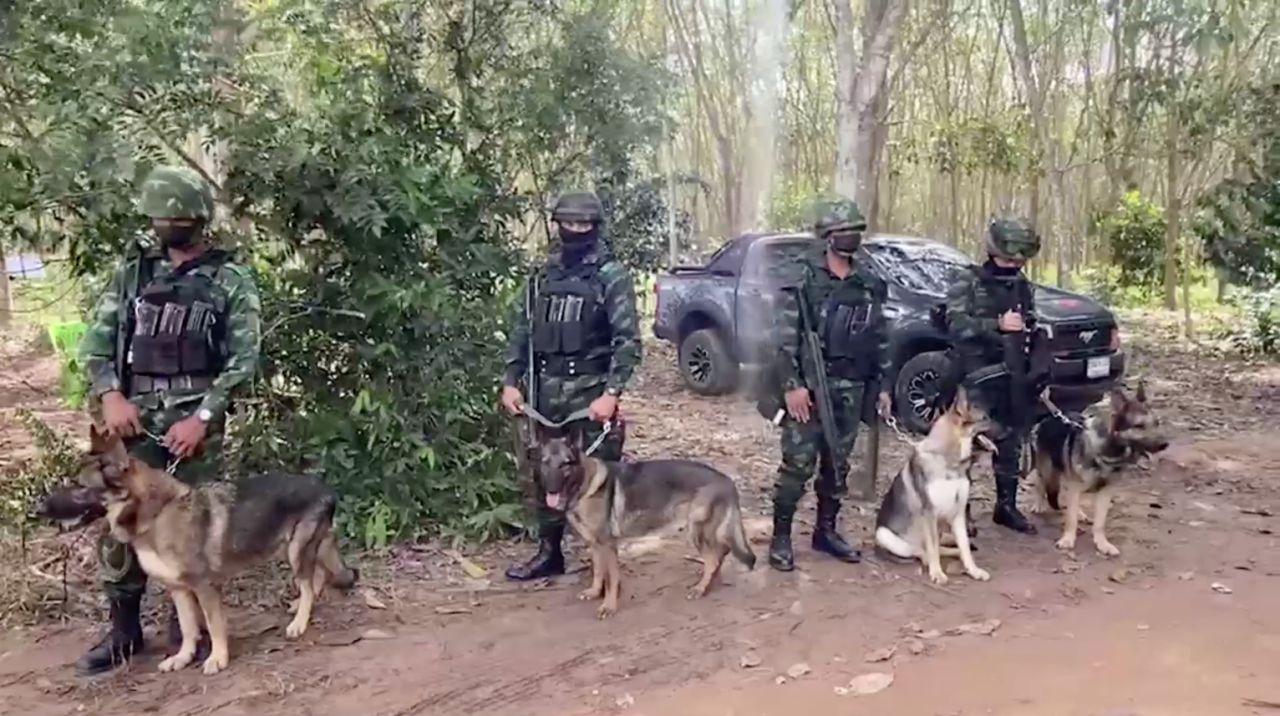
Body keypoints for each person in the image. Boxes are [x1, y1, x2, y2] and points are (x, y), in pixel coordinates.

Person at [75, 165, 262, 675]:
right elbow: (95, 343)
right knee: (122, 526)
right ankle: (124, 630)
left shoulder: (230, 279)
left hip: (193, 431)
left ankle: (194, 633)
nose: (164, 225)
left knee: (195, 534)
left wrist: (202, 417)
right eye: (159, 217)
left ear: (197, 220)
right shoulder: (135, 272)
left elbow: (244, 360)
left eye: (174, 216)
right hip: (134, 427)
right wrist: (111, 395)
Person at [500, 192, 641, 580]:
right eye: (569, 224)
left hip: (591, 394)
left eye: (584, 225)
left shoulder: (611, 276)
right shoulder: (542, 275)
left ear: (596, 227)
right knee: (545, 473)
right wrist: (512, 381)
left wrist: (611, 394)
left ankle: (604, 557)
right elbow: (522, 330)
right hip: (545, 394)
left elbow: (627, 341)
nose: (576, 231)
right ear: (558, 226)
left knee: (600, 477)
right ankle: (550, 553)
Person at [768, 197, 893, 572]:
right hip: (809, 386)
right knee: (797, 465)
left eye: (856, 231)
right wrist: (792, 386)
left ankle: (826, 531)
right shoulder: (801, 277)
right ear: (826, 236)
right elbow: (781, 338)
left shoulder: (869, 281)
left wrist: (883, 385)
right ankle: (781, 537)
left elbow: (879, 337)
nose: (851, 238)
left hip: (851, 387)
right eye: (843, 232)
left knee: (837, 466)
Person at [944, 217, 1043, 535]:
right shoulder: (968, 281)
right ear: (993, 251)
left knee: (1011, 442)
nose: (1015, 265)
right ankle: (963, 512)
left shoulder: (1021, 285)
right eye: (1009, 259)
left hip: (1012, 375)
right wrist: (995, 326)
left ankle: (1006, 507)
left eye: (1020, 261)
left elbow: (1029, 325)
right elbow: (954, 325)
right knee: (966, 448)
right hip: (975, 377)